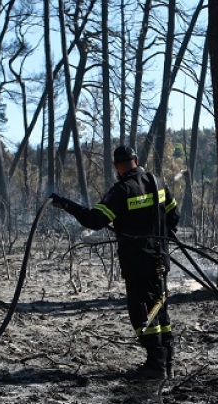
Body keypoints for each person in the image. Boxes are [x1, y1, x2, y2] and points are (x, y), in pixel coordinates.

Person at [50, 145, 179, 379]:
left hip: (138, 263)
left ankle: (156, 365)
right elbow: (174, 214)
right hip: (160, 259)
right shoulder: (156, 181)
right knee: (159, 307)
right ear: (136, 160)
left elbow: (94, 220)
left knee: (142, 312)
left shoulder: (122, 190)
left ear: (116, 167)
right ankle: (166, 361)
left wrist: (67, 204)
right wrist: (164, 236)